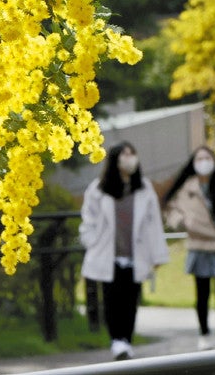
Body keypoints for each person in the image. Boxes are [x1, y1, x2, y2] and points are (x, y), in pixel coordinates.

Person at [79, 141, 169, 360]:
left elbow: (154, 223)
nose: (129, 158)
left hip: (135, 254)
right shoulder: (99, 188)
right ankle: (116, 341)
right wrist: (91, 241)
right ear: (115, 159)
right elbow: (87, 218)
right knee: (111, 299)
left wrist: (157, 254)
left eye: (132, 153)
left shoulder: (144, 188)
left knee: (131, 299)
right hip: (108, 254)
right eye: (124, 154)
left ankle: (126, 340)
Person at [163, 146, 215, 350]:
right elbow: (170, 208)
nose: (203, 162)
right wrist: (181, 222)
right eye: (199, 158)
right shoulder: (188, 186)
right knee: (201, 293)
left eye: (207, 157)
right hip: (198, 244)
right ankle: (204, 333)